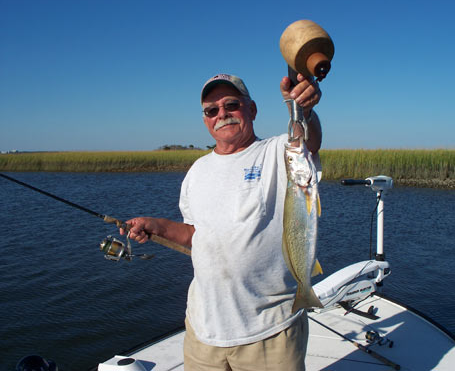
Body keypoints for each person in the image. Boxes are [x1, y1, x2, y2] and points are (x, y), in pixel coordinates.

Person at [122, 72, 323, 370]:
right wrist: (156, 225)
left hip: (270, 331)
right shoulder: (197, 171)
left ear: (252, 109)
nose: (222, 114)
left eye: (232, 105)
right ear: (204, 119)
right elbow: (195, 234)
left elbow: (308, 140)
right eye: (211, 110)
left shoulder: (279, 151)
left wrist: (303, 110)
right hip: (203, 333)